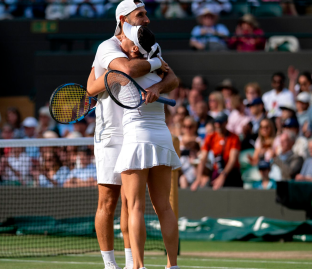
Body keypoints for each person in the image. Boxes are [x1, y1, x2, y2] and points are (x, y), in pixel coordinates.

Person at [85, 1, 179, 268]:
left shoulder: (150, 46)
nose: (147, 19)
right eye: (141, 15)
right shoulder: (107, 47)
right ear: (124, 20)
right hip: (111, 131)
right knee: (109, 199)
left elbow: (172, 79)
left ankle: (130, 264)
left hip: (137, 131)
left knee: (131, 203)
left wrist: (158, 85)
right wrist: (154, 64)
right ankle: (109, 264)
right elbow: (120, 73)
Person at [109, 23, 180, 269]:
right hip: (161, 136)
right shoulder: (159, 66)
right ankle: (173, 265)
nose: (120, 42)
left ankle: (138, 266)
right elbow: (173, 77)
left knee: (135, 206)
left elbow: (97, 85)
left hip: (137, 138)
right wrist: (158, 81)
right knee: (164, 206)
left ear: (133, 46)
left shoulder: (124, 68)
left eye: (125, 40)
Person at [192, 114, 242, 191]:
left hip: (231, 172)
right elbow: (203, 158)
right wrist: (198, 178)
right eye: (217, 122)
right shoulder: (211, 137)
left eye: (221, 122)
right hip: (217, 170)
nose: (218, 125)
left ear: (226, 123)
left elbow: (232, 160)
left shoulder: (234, 138)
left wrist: (222, 176)